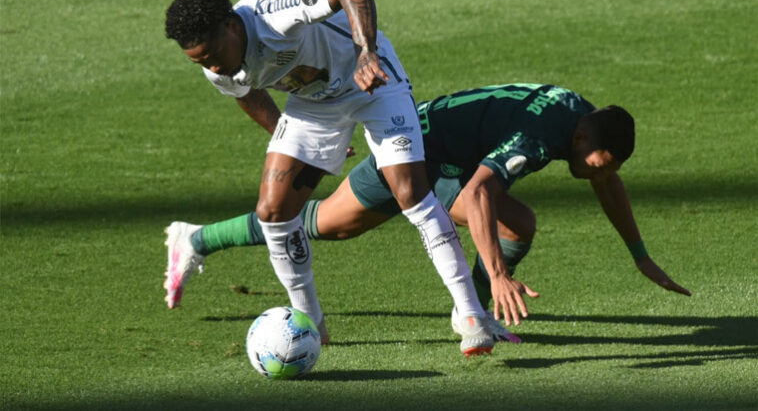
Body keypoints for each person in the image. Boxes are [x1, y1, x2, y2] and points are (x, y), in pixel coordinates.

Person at [165, 83, 691, 344]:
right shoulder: (540, 138)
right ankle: (195, 239)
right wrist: (501, 272)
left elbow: (607, 180)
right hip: (413, 147)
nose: (600, 174)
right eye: (597, 165)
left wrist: (640, 255)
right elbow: (482, 190)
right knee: (324, 224)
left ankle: (474, 316)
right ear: (580, 139)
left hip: (448, 155)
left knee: (518, 223)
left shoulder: (582, 120)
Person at [163, 0, 515, 356]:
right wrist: (281, 132)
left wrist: (366, 51)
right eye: (200, 61)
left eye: (213, 53)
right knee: (274, 211)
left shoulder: (271, 12)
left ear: (232, 26)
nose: (212, 65)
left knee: (411, 193)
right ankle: (310, 325)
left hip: (373, 83)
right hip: (314, 106)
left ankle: (471, 316)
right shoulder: (216, 67)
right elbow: (246, 92)